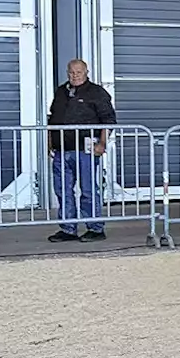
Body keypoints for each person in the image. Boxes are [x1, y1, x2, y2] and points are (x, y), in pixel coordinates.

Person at [46, 58, 117, 242]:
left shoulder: (97, 92)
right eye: (71, 72)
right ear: (67, 73)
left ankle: (95, 228)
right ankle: (68, 229)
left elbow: (108, 120)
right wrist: (49, 143)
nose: (75, 75)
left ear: (86, 73)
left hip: (86, 150)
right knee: (63, 190)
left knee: (88, 190)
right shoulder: (61, 91)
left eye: (78, 72)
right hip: (62, 149)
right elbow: (52, 118)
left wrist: (101, 144)